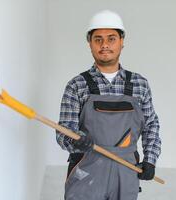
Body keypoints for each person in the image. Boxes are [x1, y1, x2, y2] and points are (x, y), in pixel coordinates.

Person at [56, 10, 161, 200]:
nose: (104, 45)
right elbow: (63, 132)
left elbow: (151, 125)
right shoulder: (76, 85)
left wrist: (150, 160)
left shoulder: (139, 84)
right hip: (86, 171)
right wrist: (76, 140)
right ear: (90, 44)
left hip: (126, 172)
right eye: (98, 39)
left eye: (111, 38)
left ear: (122, 41)